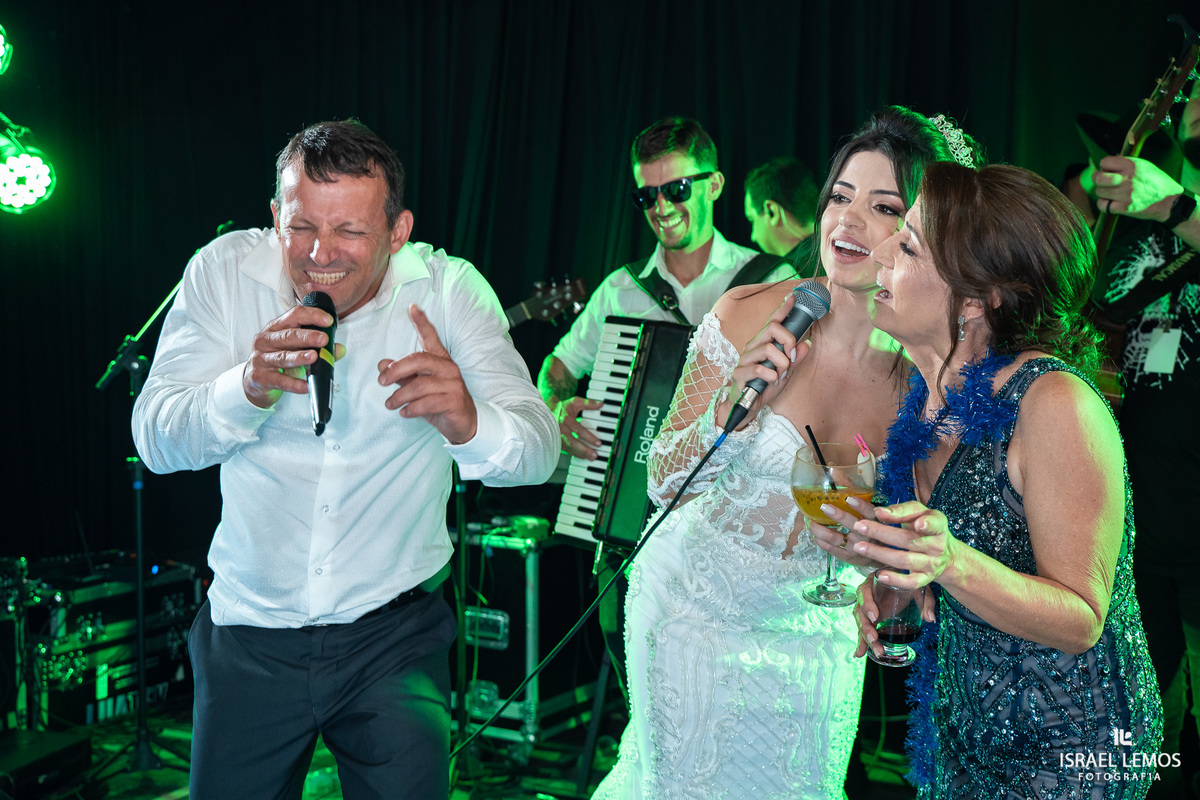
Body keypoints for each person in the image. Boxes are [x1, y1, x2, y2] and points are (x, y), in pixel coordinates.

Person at [130, 120, 559, 799]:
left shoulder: (449, 290)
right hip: (248, 635)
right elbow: (154, 439)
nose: (320, 254)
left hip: (394, 639)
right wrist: (245, 388)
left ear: (398, 230)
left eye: (351, 232)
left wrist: (470, 422)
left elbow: (539, 450)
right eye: (301, 227)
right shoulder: (221, 272)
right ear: (275, 215)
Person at [591, 106, 978, 799]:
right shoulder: (746, 311)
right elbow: (661, 479)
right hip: (691, 612)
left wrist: (869, 551)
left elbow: (914, 534)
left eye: (882, 206)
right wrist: (732, 410)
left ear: (924, 234)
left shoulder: (922, 378)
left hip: (819, 631)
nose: (847, 223)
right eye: (839, 197)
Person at [824, 161, 1163, 798]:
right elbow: (946, 574)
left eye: (910, 243)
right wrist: (897, 588)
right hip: (962, 741)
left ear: (978, 299)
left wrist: (946, 561)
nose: (883, 246)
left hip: (1071, 752)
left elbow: (1082, 616)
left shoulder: (1055, 402)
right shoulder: (921, 403)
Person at [539, 116, 794, 700]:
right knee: (647, 704)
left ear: (714, 185)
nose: (662, 206)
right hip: (633, 538)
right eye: (646, 195)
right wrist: (558, 410)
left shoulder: (768, 280)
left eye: (676, 188)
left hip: (736, 540)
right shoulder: (621, 289)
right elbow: (555, 369)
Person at [1087, 82, 1200, 798]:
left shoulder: (1173, 215)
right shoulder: (1141, 241)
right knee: (1143, 738)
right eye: (1196, 90)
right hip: (1141, 527)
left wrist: (1177, 208)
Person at [744, 155, 821, 276]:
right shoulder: (841, 254)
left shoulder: (786, 276)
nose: (753, 237)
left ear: (772, 211)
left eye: (752, 219)